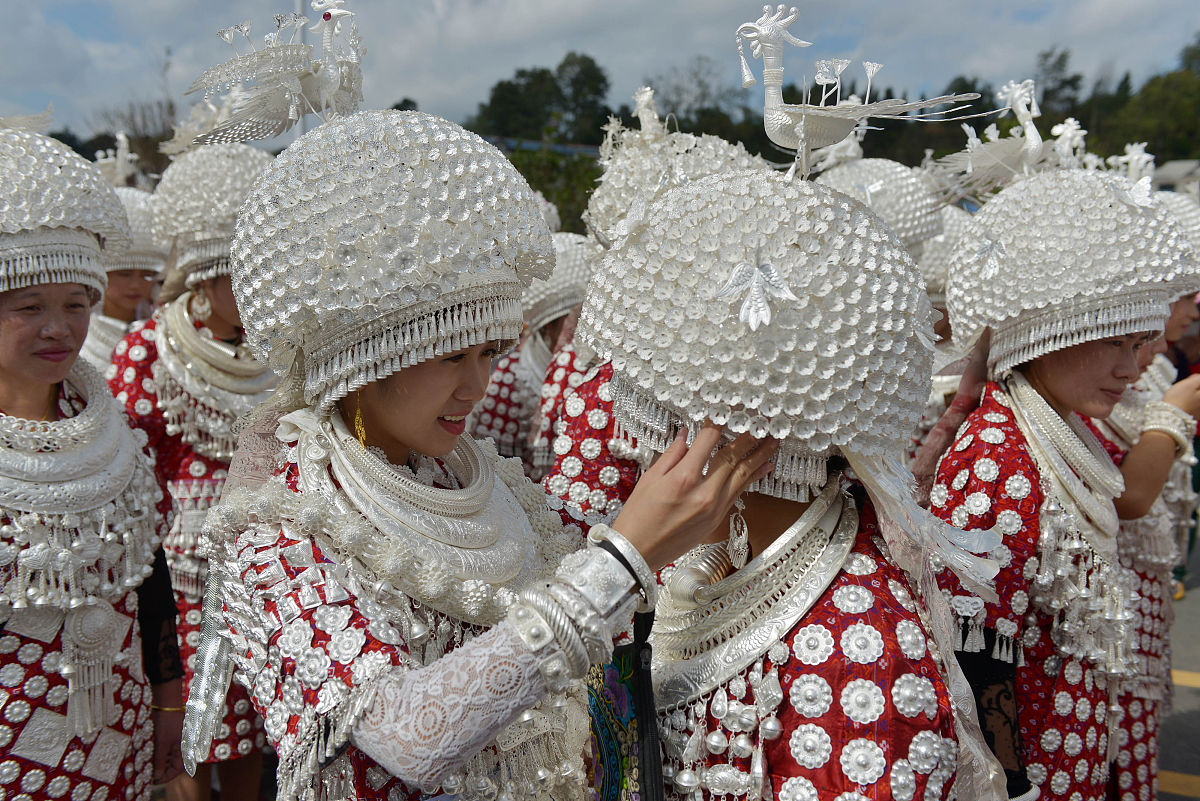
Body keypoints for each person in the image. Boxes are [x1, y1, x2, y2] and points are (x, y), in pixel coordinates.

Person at [180, 109, 778, 801]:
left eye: (491, 352)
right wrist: (625, 557)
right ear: (368, 357)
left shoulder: (470, 476)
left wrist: (698, 516)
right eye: (450, 355)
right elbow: (408, 733)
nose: (477, 384)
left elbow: (576, 544)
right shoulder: (281, 527)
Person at [576, 167, 1004, 801]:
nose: (637, 442)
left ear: (727, 430)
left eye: (661, 412)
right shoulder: (706, 560)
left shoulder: (855, 647)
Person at [929, 168, 1196, 801]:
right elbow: (978, 650)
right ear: (1052, 329)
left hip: (1072, 750)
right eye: (1113, 343)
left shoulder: (1054, 427)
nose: (1130, 370)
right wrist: (1012, 787)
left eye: (1137, 346)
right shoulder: (998, 452)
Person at [0, 123, 183, 801]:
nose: (59, 327)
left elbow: (148, 573)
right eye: (29, 307)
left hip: (120, 718)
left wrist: (168, 701)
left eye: (76, 305)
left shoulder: (112, 431)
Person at [110, 141, 276, 801]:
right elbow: (129, 476)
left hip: (260, 572)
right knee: (185, 752)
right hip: (176, 582)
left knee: (250, 746)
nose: (258, 292)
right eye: (242, 276)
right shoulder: (149, 350)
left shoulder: (278, 355)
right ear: (204, 278)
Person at [470, 232, 600, 479]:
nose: (582, 333)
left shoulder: (597, 369)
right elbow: (496, 471)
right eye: (574, 321)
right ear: (549, 326)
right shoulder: (514, 376)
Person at [79, 187, 165, 369]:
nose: (136, 285)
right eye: (124, 274)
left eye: (147, 275)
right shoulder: (82, 340)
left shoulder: (163, 333)